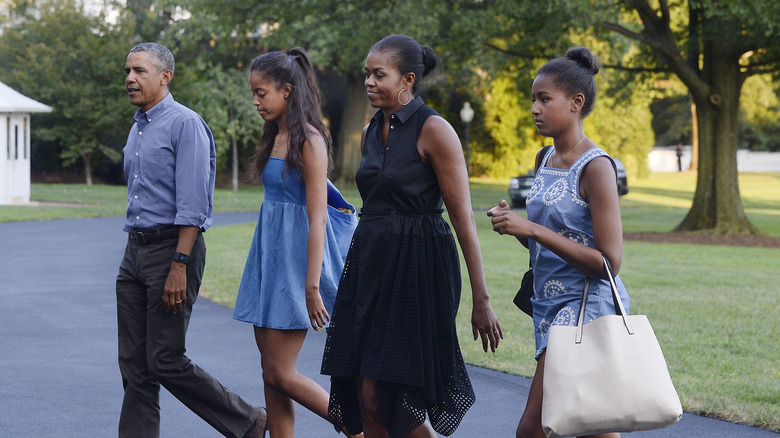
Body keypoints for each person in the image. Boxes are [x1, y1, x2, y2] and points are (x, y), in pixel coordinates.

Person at [321, 34, 503, 438]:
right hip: (370, 263)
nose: (368, 81)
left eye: (378, 74)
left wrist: (482, 298)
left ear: (407, 80)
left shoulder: (435, 129)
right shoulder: (372, 128)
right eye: (367, 73)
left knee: (383, 393)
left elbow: (463, 221)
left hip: (418, 269)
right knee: (361, 389)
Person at [116, 42, 266, 438]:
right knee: (133, 365)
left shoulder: (186, 124)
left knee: (164, 359)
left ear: (165, 77)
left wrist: (178, 265)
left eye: (140, 71)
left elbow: (195, 204)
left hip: (172, 251)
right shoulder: (137, 127)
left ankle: (249, 420)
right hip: (135, 250)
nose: (130, 78)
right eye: (128, 71)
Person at [487, 47, 630, 438]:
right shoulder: (543, 158)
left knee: (533, 429)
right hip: (546, 305)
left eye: (544, 99)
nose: (534, 108)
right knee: (593, 422)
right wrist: (515, 227)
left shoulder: (598, 167)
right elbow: (551, 241)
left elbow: (608, 263)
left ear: (576, 103)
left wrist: (532, 229)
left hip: (584, 306)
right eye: (533, 99)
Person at [231, 48, 361, 438]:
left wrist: (310, 284)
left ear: (287, 90)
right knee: (270, 375)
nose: (255, 101)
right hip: (268, 258)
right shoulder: (276, 133)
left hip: (295, 262)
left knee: (280, 372)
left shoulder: (310, 140)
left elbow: (318, 216)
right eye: (253, 93)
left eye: (261, 93)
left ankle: (357, 428)